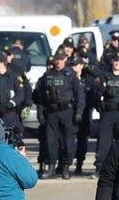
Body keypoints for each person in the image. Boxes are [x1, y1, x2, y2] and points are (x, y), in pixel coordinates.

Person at [32, 51, 82, 179]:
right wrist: (40, 111)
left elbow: (80, 95)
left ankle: (66, 167)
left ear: (65, 59)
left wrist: (79, 112)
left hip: (67, 112)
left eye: (61, 59)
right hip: (51, 112)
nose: (58, 62)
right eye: (56, 59)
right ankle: (52, 167)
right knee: (51, 141)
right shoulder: (47, 75)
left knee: (68, 141)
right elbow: (40, 95)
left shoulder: (71, 74)